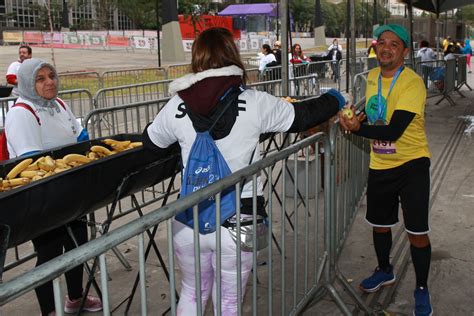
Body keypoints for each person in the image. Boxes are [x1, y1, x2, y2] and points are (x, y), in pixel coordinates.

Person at [142, 27, 347, 315]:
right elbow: (303, 116)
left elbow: (151, 143)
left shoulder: (177, 104)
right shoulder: (255, 102)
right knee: (228, 303)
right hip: (239, 222)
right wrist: (336, 98)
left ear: (197, 59)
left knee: (192, 293)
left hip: (189, 219)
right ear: (232, 56)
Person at [339, 24, 433, 316]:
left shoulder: (412, 83)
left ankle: (421, 288)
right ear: (375, 48)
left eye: (394, 44)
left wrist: (357, 129)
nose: (386, 48)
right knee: (380, 224)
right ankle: (384, 269)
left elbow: (393, 130)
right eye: (381, 43)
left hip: (412, 164)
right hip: (380, 163)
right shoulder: (371, 78)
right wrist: (355, 116)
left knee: (416, 231)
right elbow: (377, 111)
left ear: (404, 51)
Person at [4, 58, 102, 316]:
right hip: (44, 197)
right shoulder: (21, 113)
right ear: (27, 83)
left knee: (78, 243)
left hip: (71, 189)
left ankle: (75, 297)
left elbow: (80, 136)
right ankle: (48, 310)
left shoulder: (58, 104)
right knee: (49, 253)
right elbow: (33, 163)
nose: (50, 82)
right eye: (40, 78)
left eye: (52, 76)